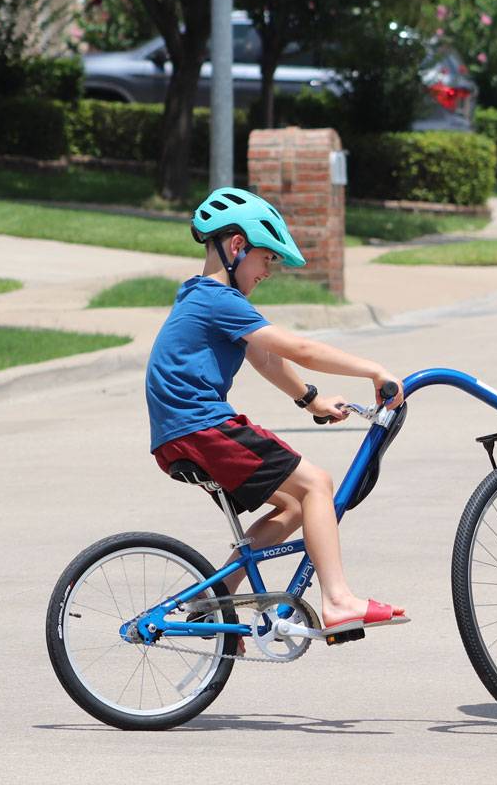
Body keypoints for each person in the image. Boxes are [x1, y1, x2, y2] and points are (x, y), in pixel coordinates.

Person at [146, 186, 407, 642]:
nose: (269, 270)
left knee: (292, 505)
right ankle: (339, 601)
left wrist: (311, 400)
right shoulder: (218, 299)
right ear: (236, 247)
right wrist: (373, 370)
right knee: (318, 484)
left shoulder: (199, 296)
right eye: (266, 258)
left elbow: (264, 358)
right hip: (201, 426)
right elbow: (300, 348)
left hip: (181, 433)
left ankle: (213, 603)